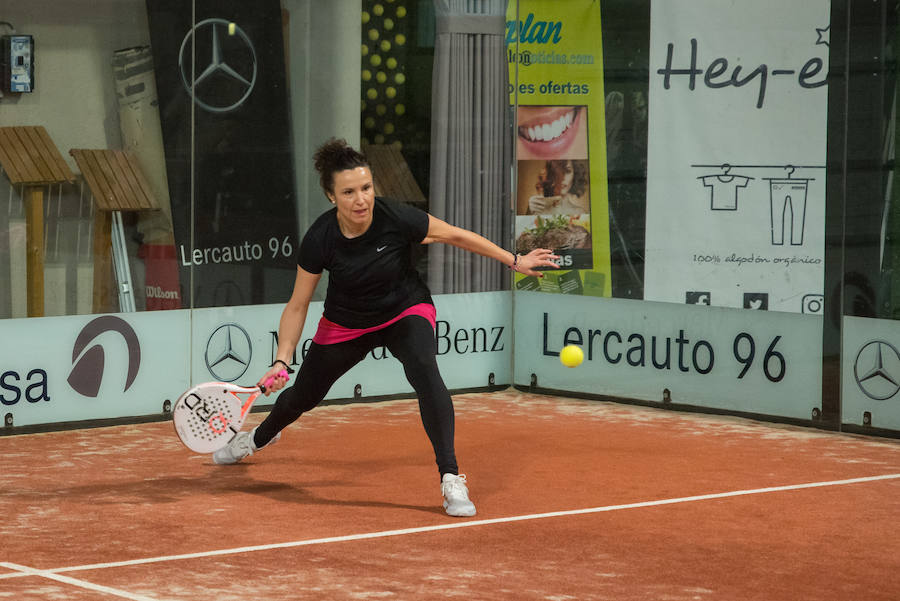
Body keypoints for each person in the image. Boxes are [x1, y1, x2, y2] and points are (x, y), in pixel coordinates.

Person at [213, 138, 559, 517]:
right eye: (349, 192)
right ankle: (256, 438)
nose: (361, 199)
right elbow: (297, 305)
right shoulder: (320, 238)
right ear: (331, 196)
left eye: (366, 187)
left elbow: (455, 235)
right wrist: (282, 359)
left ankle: (450, 476)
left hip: (404, 309)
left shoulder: (395, 216)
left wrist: (514, 260)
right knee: (302, 397)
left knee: (424, 369)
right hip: (346, 322)